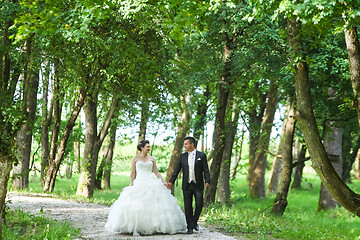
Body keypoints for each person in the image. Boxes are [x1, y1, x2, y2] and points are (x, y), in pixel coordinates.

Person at [105, 140, 187, 236]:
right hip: (139, 181)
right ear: (142, 147)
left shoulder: (152, 159)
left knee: (155, 203)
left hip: (151, 181)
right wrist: (132, 183)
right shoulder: (135, 159)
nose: (149, 148)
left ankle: (155, 226)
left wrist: (164, 182)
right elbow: (132, 172)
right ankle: (137, 226)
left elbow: (156, 172)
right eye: (147, 146)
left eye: (149, 146)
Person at [167, 136, 210, 234]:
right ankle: (189, 227)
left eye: (186, 144)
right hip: (187, 185)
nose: (184, 146)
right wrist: (171, 181)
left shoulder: (202, 155)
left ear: (192, 144)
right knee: (188, 206)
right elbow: (177, 169)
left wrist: (207, 180)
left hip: (198, 184)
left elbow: (206, 169)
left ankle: (194, 222)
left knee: (199, 204)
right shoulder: (183, 156)